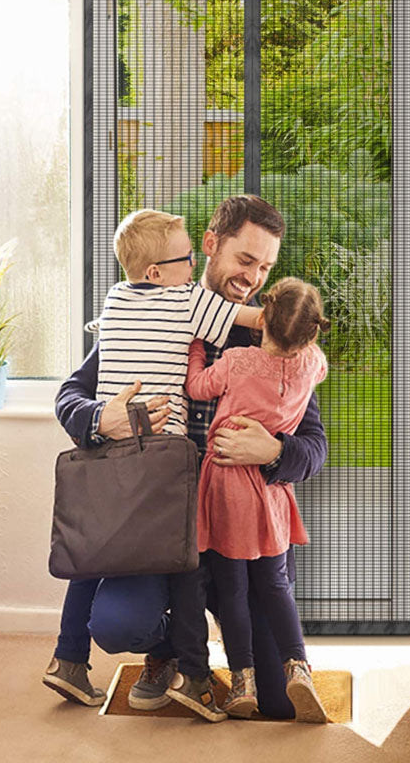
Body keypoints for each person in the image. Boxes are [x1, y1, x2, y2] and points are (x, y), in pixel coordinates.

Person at [50, 195, 328, 720]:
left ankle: (250, 662)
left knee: (274, 702)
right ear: (209, 245)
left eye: (265, 267)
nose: (253, 278)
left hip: (237, 535)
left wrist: (275, 451)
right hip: (157, 524)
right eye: (245, 261)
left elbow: (314, 446)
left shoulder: (268, 336)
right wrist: (100, 419)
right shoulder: (145, 309)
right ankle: (167, 650)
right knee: (114, 624)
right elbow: (70, 395)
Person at [172, 277, 330, 723]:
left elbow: (199, 386)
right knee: (275, 584)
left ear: (262, 316)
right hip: (273, 498)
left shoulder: (238, 360)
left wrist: (197, 349)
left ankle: (242, 678)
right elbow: (310, 361)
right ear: (311, 333)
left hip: (227, 487)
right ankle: (298, 665)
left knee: (234, 587)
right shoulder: (313, 365)